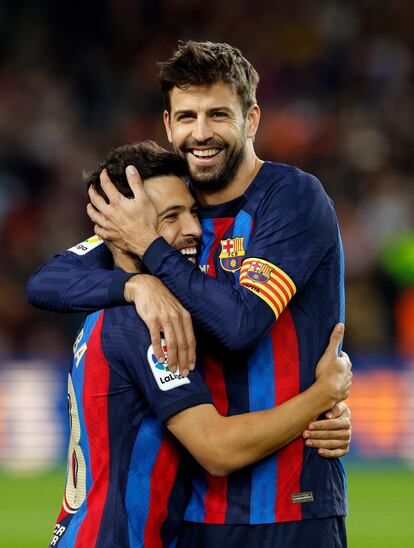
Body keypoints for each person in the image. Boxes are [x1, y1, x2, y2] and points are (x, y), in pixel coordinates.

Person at [27, 42, 351, 547]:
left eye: (218, 114)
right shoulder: (170, 206)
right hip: (195, 513)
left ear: (252, 119)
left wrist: (151, 252)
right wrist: (136, 283)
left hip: (292, 506)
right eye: (187, 117)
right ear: (168, 123)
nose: (201, 133)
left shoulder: (291, 199)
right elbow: (47, 280)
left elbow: (240, 325)